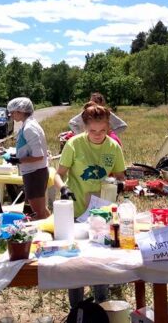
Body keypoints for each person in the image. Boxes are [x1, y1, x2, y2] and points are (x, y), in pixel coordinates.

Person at [54, 102, 126, 307]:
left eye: (102, 130)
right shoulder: (74, 144)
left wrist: (119, 184)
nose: (97, 134)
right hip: (77, 210)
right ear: (85, 127)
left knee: (99, 260)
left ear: (108, 128)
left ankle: (101, 303)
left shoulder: (113, 147)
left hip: (102, 211)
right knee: (76, 261)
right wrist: (63, 189)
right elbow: (58, 175)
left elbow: (121, 175)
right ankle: (76, 307)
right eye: (93, 130)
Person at [6, 97, 51, 219]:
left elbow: (39, 155)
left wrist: (18, 160)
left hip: (35, 173)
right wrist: (17, 156)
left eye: (12, 112)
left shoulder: (29, 127)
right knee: (41, 209)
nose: (11, 115)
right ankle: (52, 227)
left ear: (20, 111)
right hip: (33, 171)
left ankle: (47, 234)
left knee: (38, 212)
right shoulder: (28, 124)